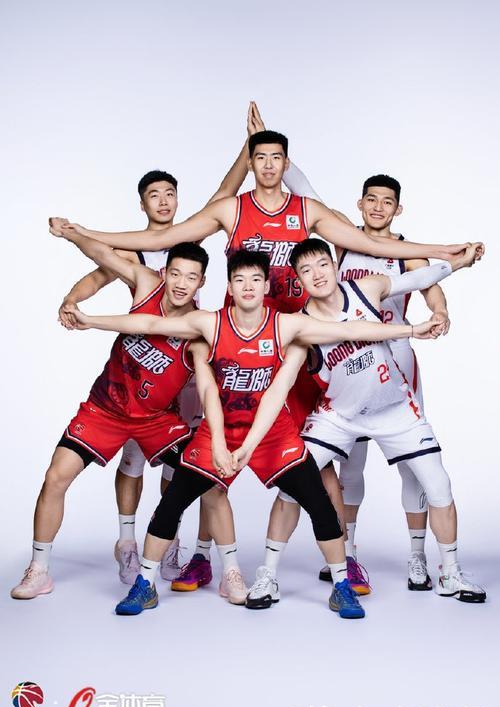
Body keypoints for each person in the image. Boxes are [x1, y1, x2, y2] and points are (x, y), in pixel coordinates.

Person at [66, 247, 440, 618]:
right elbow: (150, 326)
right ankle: (145, 583)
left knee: (318, 501)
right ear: (229, 287)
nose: (248, 286)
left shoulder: (285, 325)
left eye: (256, 279)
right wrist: (89, 320)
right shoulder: (210, 323)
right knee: (173, 501)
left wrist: (412, 329)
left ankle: (342, 586)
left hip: (270, 431)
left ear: (265, 286)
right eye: (240, 280)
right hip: (220, 428)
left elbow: (349, 330)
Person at [57, 105, 262, 587]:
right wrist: (72, 299)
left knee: (184, 453)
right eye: (155, 195)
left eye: (170, 194)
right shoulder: (134, 249)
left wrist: (249, 148)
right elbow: (97, 274)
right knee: (131, 456)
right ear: (142, 204)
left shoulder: (187, 235)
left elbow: (225, 193)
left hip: (188, 359)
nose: (164, 201)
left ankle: (172, 544)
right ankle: (129, 542)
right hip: (143, 360)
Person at [239, 238, 485, 609]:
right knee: (292, 485)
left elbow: (417, 279)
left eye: (322, 265)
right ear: (298, 281)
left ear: (334, 265)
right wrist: (249, 442)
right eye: (306, 271)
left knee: (438, 485)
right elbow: (281, 386)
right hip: (339, 416)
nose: (317, 275)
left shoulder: (366, 288)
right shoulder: (303, 327)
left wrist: (460, 263)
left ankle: (450, 572)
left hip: (395, 409)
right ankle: (267, 576)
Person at [10, 239, 241, 600]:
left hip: (156, 419)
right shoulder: (146, 285)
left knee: (209, 482)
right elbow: (103, 255)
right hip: (104, 410)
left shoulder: (198, 328)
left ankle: (230, 572)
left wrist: (220, 442)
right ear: (164, 273)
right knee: (55, 477)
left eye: (191, 277)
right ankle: (38, 569)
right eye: (176, 274)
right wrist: (75, 234)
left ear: (202, 282)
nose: (181, 283)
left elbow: (208, 387)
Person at [280, 166, 453, 592]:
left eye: (387, 201)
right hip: (346, 361)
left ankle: (417, 558)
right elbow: (307, 191)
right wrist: (279, 156)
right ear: (360, 204)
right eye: (371, 200)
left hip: (395, 356)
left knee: (414, 465)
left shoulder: (406, 251)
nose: (378, 207)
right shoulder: (342, 239)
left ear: (398, 209)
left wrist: (441, 312)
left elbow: (430, 286)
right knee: (349, 462)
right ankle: (348, 553)